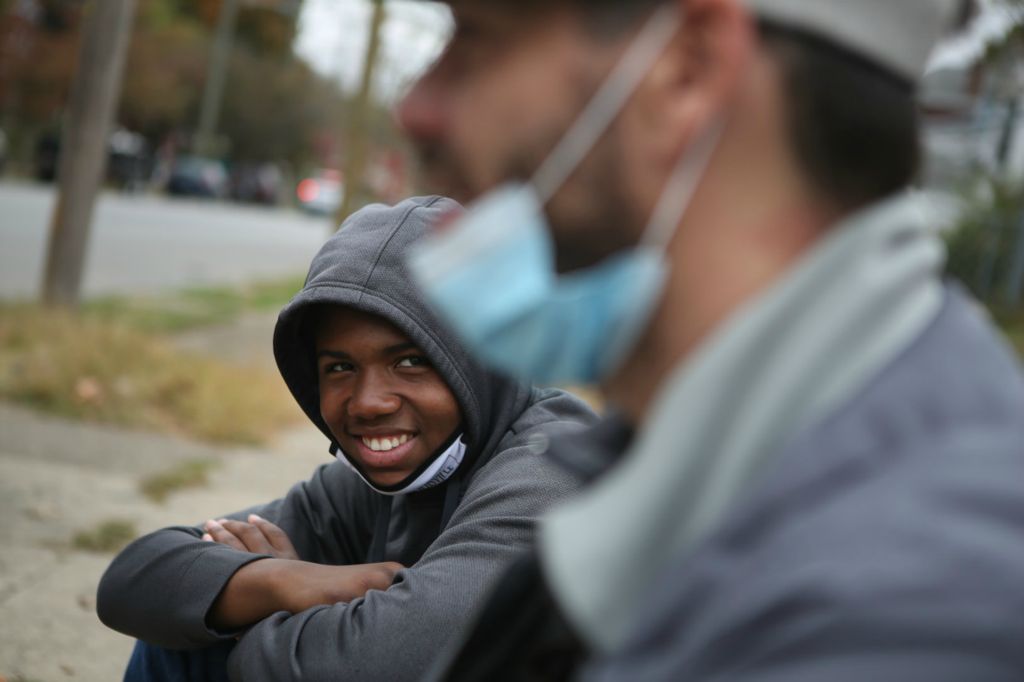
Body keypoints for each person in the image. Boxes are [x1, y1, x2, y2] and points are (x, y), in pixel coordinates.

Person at [396, 0, 1024, 679]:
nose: (417, 108)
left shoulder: (903, 622)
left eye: (477, 37)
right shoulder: (689, 477)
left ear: (685, 71)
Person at [96, 196, 594, 681]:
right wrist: (285, 581)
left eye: (410, 361)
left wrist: (253, 617)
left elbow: (377, 665)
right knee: (183, 637)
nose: (367, 402)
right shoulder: (385, 482)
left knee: (217, 633)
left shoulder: (551, 473)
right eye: (340, 367)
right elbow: (134, 580)